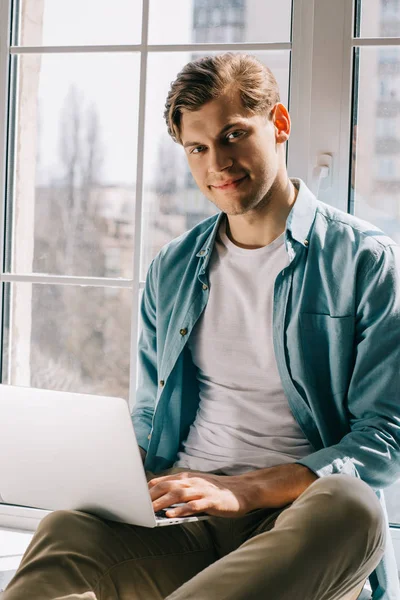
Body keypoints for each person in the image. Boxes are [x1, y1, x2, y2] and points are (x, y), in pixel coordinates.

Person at [4, 52, 400, 600]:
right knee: (65, 530)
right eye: (199, 147)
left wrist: (242, 490)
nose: (220, 162)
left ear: (279, 125)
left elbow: (384, 438)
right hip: (186, 525)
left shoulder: (365, 261)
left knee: (352, 508)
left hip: (296, 525)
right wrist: (110, 475)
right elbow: (149, 416)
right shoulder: (171, 268)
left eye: (235, 134)